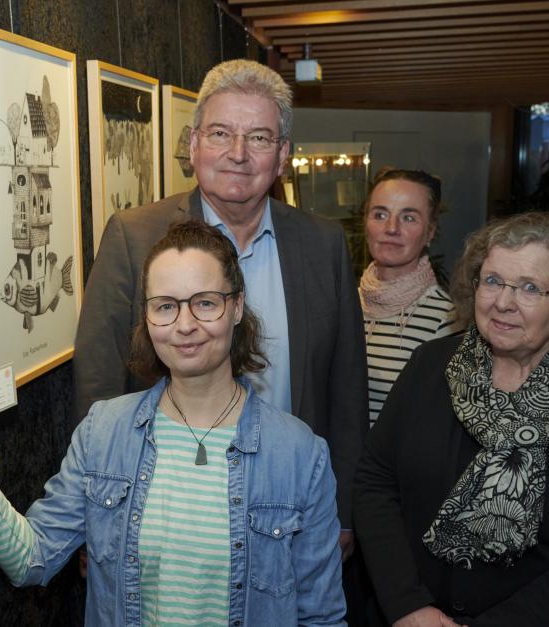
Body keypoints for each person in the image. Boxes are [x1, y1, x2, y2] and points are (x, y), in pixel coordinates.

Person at [0, 221, 345, 625]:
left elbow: (322, 616)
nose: (185, 325)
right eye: (166, 306)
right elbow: (33, 559)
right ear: (147, 316)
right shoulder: (104, 432)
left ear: (237, 307)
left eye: (206, 303)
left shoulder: (299, 454)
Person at [73, 59, 366, 555]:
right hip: (164, 503)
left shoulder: (323, 244)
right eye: (220, 133)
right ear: (193, 145)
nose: (238, 154)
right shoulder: (133, 237)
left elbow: (346, 388)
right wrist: (94, 512)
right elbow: (98, 381)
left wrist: (343, 512)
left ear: (283, 155)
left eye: (259, 138)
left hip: (290, 502)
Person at [354, 212, 549, 626]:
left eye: (530, 288)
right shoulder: (428, 366)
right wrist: (407, 604)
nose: (503, 302)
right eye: (492, 281)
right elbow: (375, 480)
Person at [360, 167, 460, 428]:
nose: (391, 228)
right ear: (366, 224)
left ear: (430, 232)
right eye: (380, 214)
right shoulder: (343, 306)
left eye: (409, 218)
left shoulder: (447, 320)